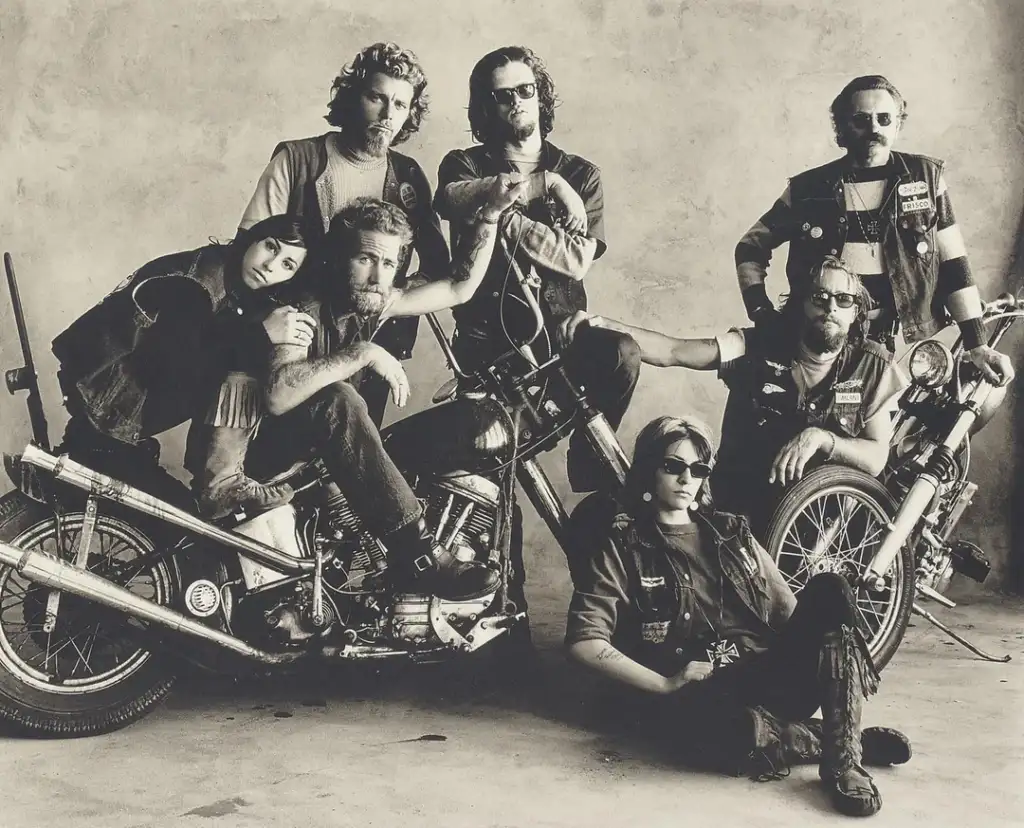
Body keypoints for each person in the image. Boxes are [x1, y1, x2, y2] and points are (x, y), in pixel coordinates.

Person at [566, 415, 912, 818]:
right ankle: (842, 740)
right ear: (648, 470)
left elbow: (789, 613)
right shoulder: (624, 543)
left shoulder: (732, 531)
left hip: (765, 673)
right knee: (714, 733)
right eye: (672, 466)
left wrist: (812, 651)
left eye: (697, 469)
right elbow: (585, 642)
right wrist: (665, 682)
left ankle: (842, 763)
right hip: (705, 690)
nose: (685, 479)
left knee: (831, 588)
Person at [191, 189, 523, 600]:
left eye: (388, 262)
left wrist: (489, 216)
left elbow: (458, 288)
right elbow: (278, 393)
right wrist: (362, 353)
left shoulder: (371, 299)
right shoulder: (303, 304)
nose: (377, 275)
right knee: (339, 400)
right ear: (339, 258)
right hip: (258, 457)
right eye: (365, 259)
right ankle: (418, 555)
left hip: (311, 454)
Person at [560, 258, 907, 534]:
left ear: (856, 311)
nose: (831, 307)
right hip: (738, 511)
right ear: (802, 303)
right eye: (820, 297)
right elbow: (673, 350)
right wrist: (600, 323)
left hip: (817, 528)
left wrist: (820, 439)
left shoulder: (871, 365)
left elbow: (876, 456)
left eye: (843, 299)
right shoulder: (755, 345)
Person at [434, 45, 640, 494]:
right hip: (488, 351)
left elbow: (575, 259)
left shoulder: (583, 174)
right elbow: (450, 198)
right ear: (486, 105)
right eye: (502, 95)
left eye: (526, 90)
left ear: (541, 96)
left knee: (621, 354)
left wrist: (503, 215)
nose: (516, 102)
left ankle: (586, 469)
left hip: (562, 339)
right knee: (488, 490)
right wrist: (544, 184)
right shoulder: (462, 164)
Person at [734, 74, 1013, 388]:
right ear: (842, 127)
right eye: (861, 119)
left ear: (897, 125)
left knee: (889, 429)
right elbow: (750, 247)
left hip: (895, 345)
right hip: (816, 341)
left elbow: (954, 264)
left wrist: (977, 344)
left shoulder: (925, 178)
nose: (874, 128)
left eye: (884, 119)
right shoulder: (808, 189)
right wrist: (760, 311)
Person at [239, 42, 451, 425]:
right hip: (294, 342)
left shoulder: (408, 176)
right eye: (377, 98)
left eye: (400, 105)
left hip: (374, 343)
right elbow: (245, 258)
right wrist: (263, 323)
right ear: (354, 97)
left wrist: (390, 301)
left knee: (344, 467)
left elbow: (438, 269)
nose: (388, 115)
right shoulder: (296, 160)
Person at [50, 214, 315, 507]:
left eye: (287, 264)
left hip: (113, 421)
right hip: (105, 426)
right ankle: (221, 482)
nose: (270, 265)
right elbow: (168, 370)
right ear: (253, 238)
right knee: (185, 524)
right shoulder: (197, 286)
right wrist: (262, 335)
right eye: (271, 246)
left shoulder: (230, 279)